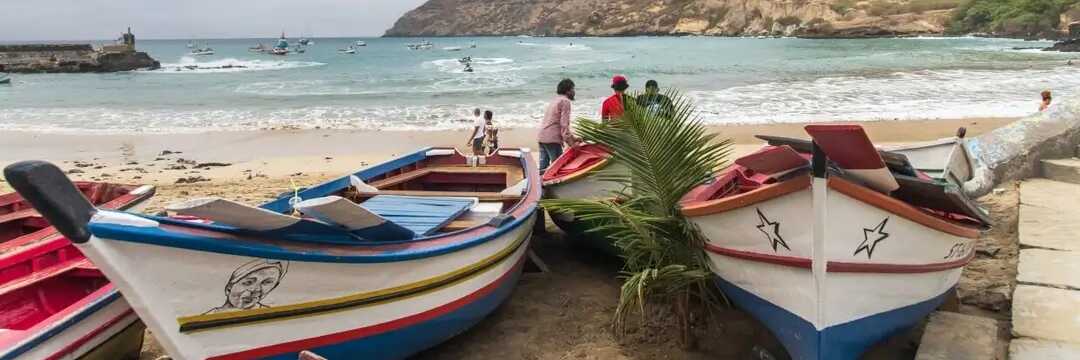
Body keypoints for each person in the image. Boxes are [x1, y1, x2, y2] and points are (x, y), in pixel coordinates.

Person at [538, 79, 579, 173]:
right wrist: (571, 143)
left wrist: (573, 138)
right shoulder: (565, 102)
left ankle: (539, 185)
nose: (574, 92)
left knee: (542, 169)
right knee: (557, 168)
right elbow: (564, 124)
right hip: (552, 139)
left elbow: (554, 121)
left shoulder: (555, 100)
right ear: (568, 90)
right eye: (573, 89)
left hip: (542, 136)